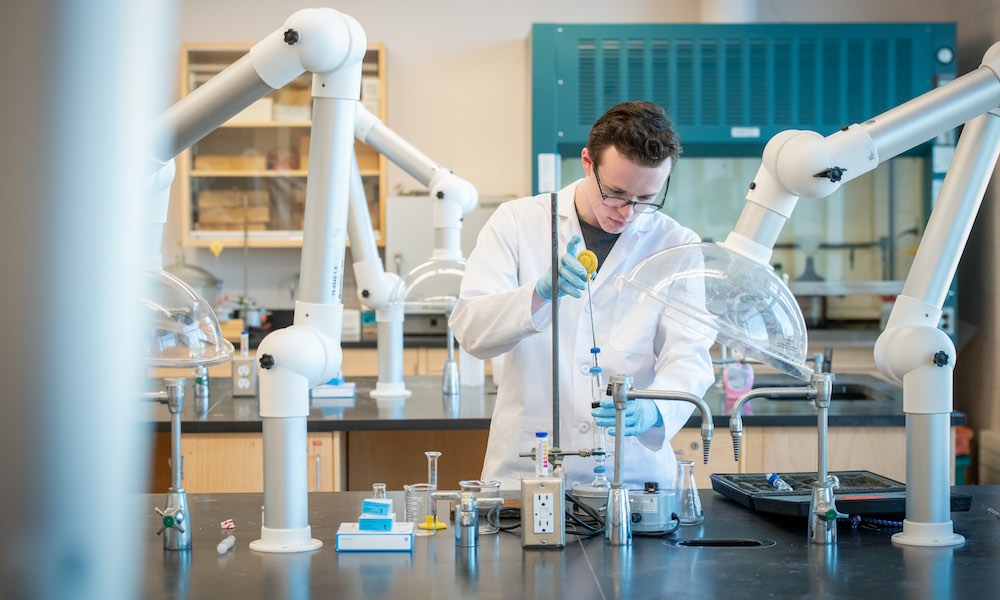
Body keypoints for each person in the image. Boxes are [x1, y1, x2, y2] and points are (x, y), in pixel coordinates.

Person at [449, 101, 715, 491]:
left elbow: (690, 353)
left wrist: (656, 410)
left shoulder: (675, 244)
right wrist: (537, 296)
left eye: (646, 199)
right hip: (527, 472)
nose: (627, 213)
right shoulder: (517, 223)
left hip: (634, 476)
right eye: (616, 193)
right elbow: (471, 331)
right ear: (588, 162)